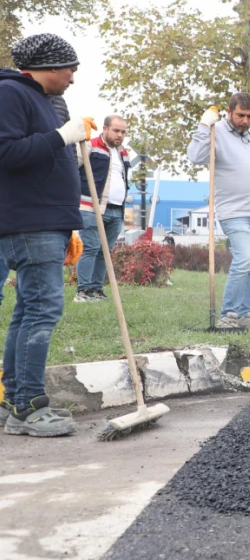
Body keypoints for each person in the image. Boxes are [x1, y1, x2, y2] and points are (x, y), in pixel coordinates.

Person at [0, 33, 91, 437]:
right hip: (29, 222)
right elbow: (7, 153)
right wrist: (62, 136)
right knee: (42, 311)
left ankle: (16, 404)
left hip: (44, 221)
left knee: (28, 312)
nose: (72, 77)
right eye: (70, 68)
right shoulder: (11, 94)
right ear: (50, 67)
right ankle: (30, 407)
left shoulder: (44, 100)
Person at [186, 93, 250, 329]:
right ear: (229, 112)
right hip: (233, 212)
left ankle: (245, 315)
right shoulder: (217, 133)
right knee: (244, 258)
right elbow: (195, 157)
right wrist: (204, 124)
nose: (245, 121)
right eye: (240, 115)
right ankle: (228, 315)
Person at [75, 115, 131, 302]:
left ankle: (96, 290)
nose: (120, 135)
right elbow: (72, 166)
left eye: (123, 132)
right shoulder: (90, 145)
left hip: (116, 210)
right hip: (91, 207)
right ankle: (82, 291)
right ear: (105, 129)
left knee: (105, 251)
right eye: (116, 130)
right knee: (91, 247)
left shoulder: (123, 153)